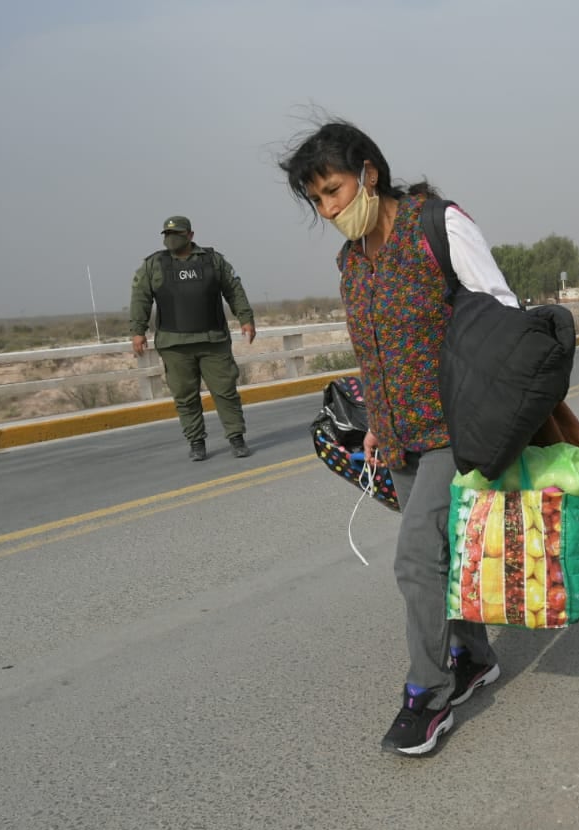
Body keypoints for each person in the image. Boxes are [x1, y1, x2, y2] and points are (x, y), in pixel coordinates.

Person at [280, 120, 520, 756]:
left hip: (458, 430)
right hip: (399, 438)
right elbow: (374, 350)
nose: (330, 210)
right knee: (447, 557)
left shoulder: (438, 226)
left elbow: (504, 316)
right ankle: (473, 658)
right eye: (318, 201)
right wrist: (377, 432)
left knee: (416, 558)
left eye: (334, 190)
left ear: (369, 173)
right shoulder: (350, 261)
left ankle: (428, 694)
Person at [130, 215, 257, 461]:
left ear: (190, 235)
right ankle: (196, 442)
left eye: (176, 233)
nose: (171, 239)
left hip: (213, 341)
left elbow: (234, 290)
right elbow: (140, 298)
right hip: (174, 344)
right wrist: (138, 331)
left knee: (225, 392)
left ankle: (236, 438)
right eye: (167, 235)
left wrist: (246, 318)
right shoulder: (154, 265)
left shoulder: (212, 261)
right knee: (185, 397)